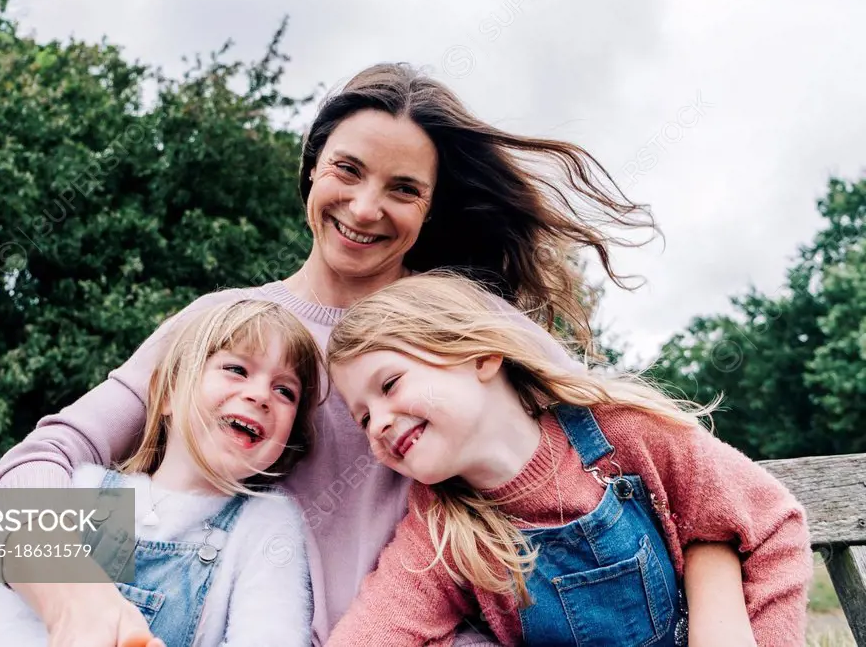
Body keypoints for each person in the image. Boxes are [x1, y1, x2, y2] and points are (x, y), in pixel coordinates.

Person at [0, 62, 756, 647]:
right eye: (347, 169)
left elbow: (655, 473)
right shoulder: (224, 329)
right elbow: (45, 463)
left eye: (403, 189)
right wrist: (73, 591)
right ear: (312, 165)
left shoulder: (464, 322)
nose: (364, 206)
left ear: (428, 208)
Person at [323, 272, 813, 646]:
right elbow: (371, 634)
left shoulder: (623, 432)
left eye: (389, 385)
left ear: (480, 356)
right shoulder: (439, 526)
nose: (379, 424)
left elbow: (771, 525)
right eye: (363, 418)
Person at [0, 299, 321, 647]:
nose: (261, 396)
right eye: (237, 369)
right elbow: (10, 628)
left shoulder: (267, 525)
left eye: (285, 391)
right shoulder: (81, 490)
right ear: (166, 393)